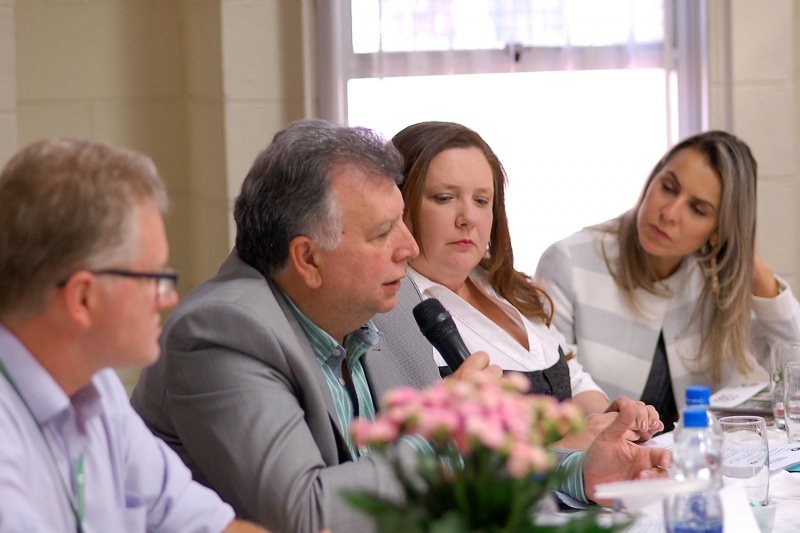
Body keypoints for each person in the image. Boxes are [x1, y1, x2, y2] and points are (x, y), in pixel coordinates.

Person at [131, 119, 670, 533]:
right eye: (385, 232)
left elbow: (456, 467)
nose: (409, 249)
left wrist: (579, 473)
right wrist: (440, 431)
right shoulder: (223, 332)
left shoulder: (367, 306)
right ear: (308, 258)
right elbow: (304, 512)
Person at [0, 139, 267, 532]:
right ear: (84, 297)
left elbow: (208, 525)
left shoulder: (98, 387)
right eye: (154, 278)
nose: (170, 297)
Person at [392, 121, 662, 447]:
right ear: (398, 204)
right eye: (445, 197)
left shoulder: (510, 287)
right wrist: (567, 449)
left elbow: (573, 381)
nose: (467, 218)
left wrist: (608, 420)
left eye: (481, 200)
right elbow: (431, 461)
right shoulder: (394, 313)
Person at [535, 130, 800, 432]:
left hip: (698, 460)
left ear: (719, 229)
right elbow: (558, 377)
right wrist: (615, 427)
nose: (669, 213)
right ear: (652, 179)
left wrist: (752, 264)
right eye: (669, 187)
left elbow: (794, 366)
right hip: (605, 456)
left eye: (698, 209)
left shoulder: (715, 274)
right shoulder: (569, 260)